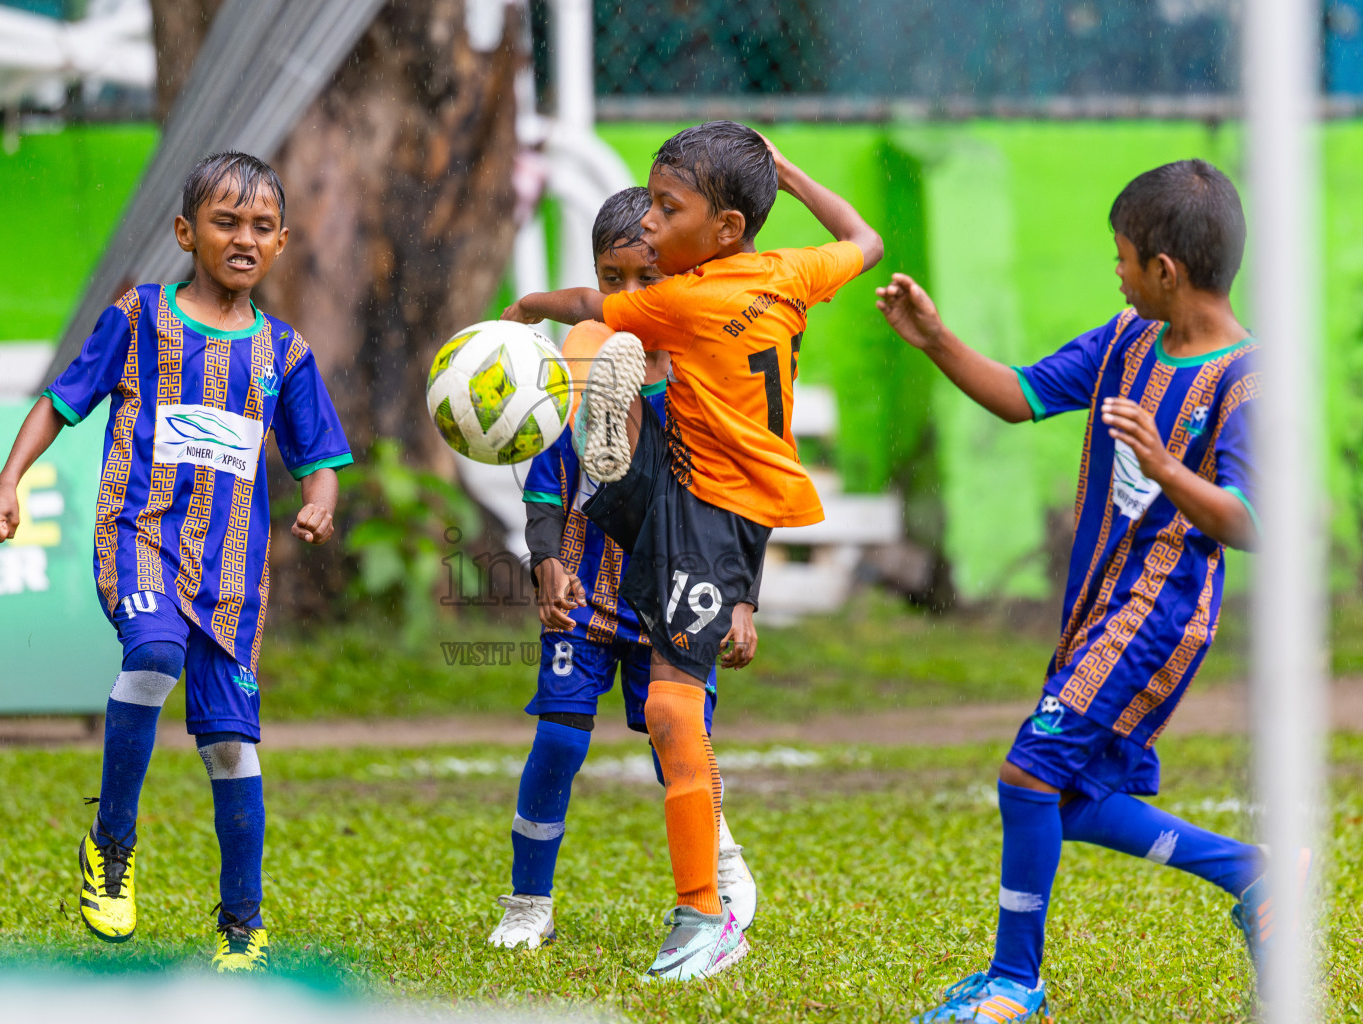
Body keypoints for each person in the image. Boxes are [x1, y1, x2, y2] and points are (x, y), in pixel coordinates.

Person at [878, 160, 1279, 1022]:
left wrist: (1167, 466)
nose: (1118, 271)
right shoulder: (1124, 342)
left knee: (1028, 775)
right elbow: (1021, 397)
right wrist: (937, 340)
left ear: (1164, 271)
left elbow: (1250, 520)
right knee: (1072, 799)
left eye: (1123, 257)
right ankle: (1251, 876)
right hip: (1098, 611)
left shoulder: (1245, 383)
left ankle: (1015, 987)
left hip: (1157, 617)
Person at [503, 121, 883, 979]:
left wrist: (529, 307)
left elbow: (591, 308)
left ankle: (705, 913)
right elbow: (862, 239)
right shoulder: (787, 272)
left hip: (704, 514)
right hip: (715, 512)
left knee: (673, 714)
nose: (654, 222)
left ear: (725, 231)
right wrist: (786, 168)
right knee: (675, 714)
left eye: (668, 210)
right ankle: (702, 905)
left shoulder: (687, 298)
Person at [0, 152, 352, 972]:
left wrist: (319, 500)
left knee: (230, 748)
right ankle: (111, 846)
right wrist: (8, 482)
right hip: (138, 534)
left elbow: (319, 455)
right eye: (225, 222)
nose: (243, 239)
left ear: (281, 243)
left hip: (231, 579)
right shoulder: (140, 316)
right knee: (151, 654)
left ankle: (242, 926)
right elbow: (62, 402)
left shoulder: (284, 354)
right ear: (187, 232)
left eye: (260, 227)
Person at [489, 188, 760, 952]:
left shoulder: (711, 378)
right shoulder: (578, 367)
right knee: (560, 741)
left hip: (680, 594)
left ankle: (721, 864)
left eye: (649, 279)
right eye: (615, 281)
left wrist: (742, 600)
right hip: (583, 590)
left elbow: (743, 500)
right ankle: (527, 903)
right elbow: (546, 482)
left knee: (678, 742)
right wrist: (545, 561)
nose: (633, 299)